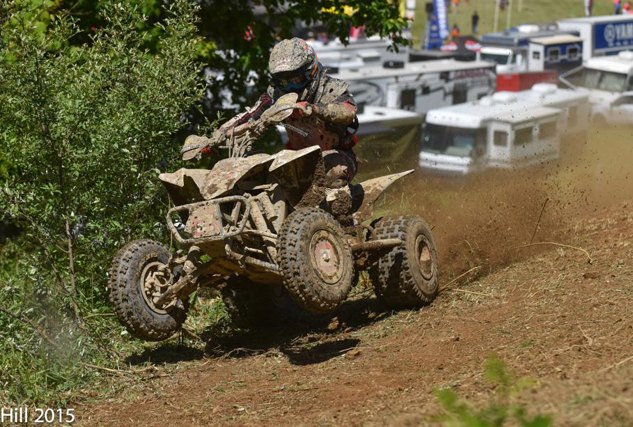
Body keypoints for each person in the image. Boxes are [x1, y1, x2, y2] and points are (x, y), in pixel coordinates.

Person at [216, 37, 358, 189]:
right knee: (254, 171)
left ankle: (340, 210)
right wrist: (217, 135)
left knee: (331, 172)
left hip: (338, 157)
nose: (291, 86)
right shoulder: (275, 95)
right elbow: (250, 114)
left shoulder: (331, 89)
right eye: (284, 82)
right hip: (294, 157)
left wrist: (314, 109)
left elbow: (348, 112)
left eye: (296, 79)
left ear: (311, 71)